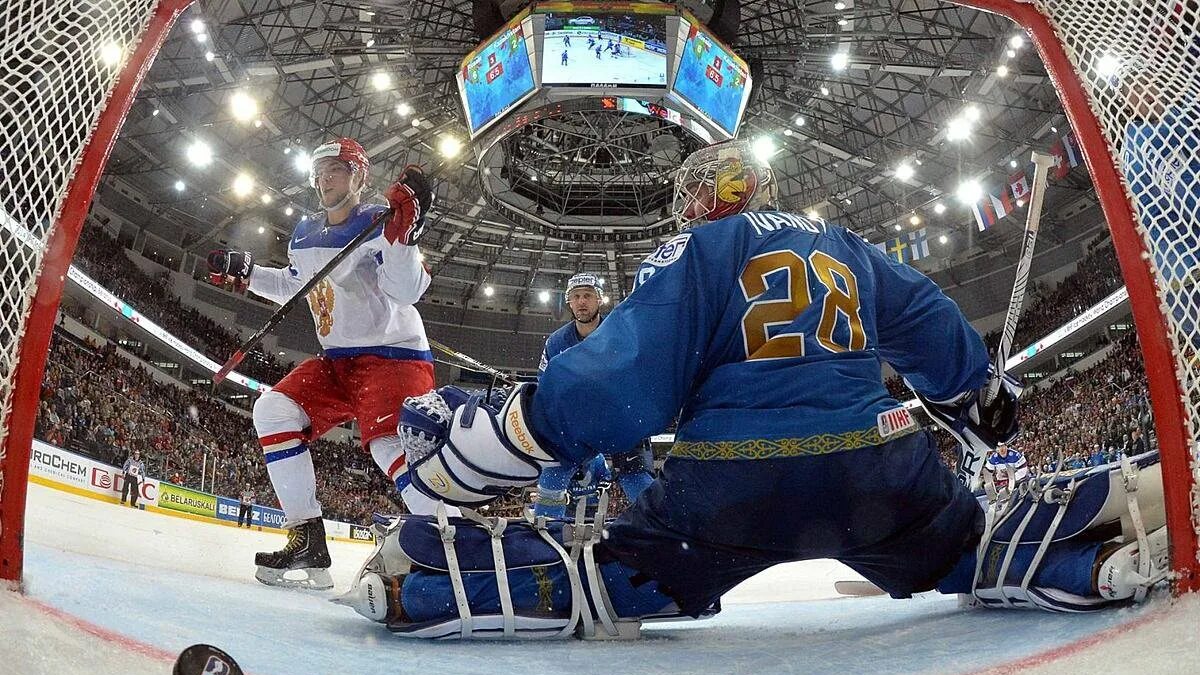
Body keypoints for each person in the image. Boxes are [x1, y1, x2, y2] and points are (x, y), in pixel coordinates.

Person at [339, 139, 1170, 637]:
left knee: (609, 580)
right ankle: (1102, 546)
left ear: (704, 197)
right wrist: (979, 399)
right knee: (963, 547)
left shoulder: (698, 251)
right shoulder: (842, 241)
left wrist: (515, 430)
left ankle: (429, 585)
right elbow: (930, 324)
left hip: (735, 486)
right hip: (879, 468)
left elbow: (627, 384)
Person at [206, 137, 438, 590]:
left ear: (358, 176)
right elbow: (297, 285)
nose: (324, 177)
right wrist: (249, 273)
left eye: (336, 168)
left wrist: (404, 236)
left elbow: (407, 290)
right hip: (338, 361)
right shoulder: (305, 233)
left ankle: (453, 541)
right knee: (273, 409)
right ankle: (307, 538)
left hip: (393, 356)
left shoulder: (377, 220)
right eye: (320, 170)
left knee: (388, 446)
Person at [534, 273, 654, 519]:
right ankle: (545, 533)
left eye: (588, 295)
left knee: (637, 478)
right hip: (575, 422)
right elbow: (545, 386)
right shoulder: (556, 342)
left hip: (620, 417)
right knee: (552, 478)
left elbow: (639, 377)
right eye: (576, 296)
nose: (581, 302)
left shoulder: (621, 331)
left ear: (599, 299)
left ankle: (662, 533)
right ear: (569, 302)